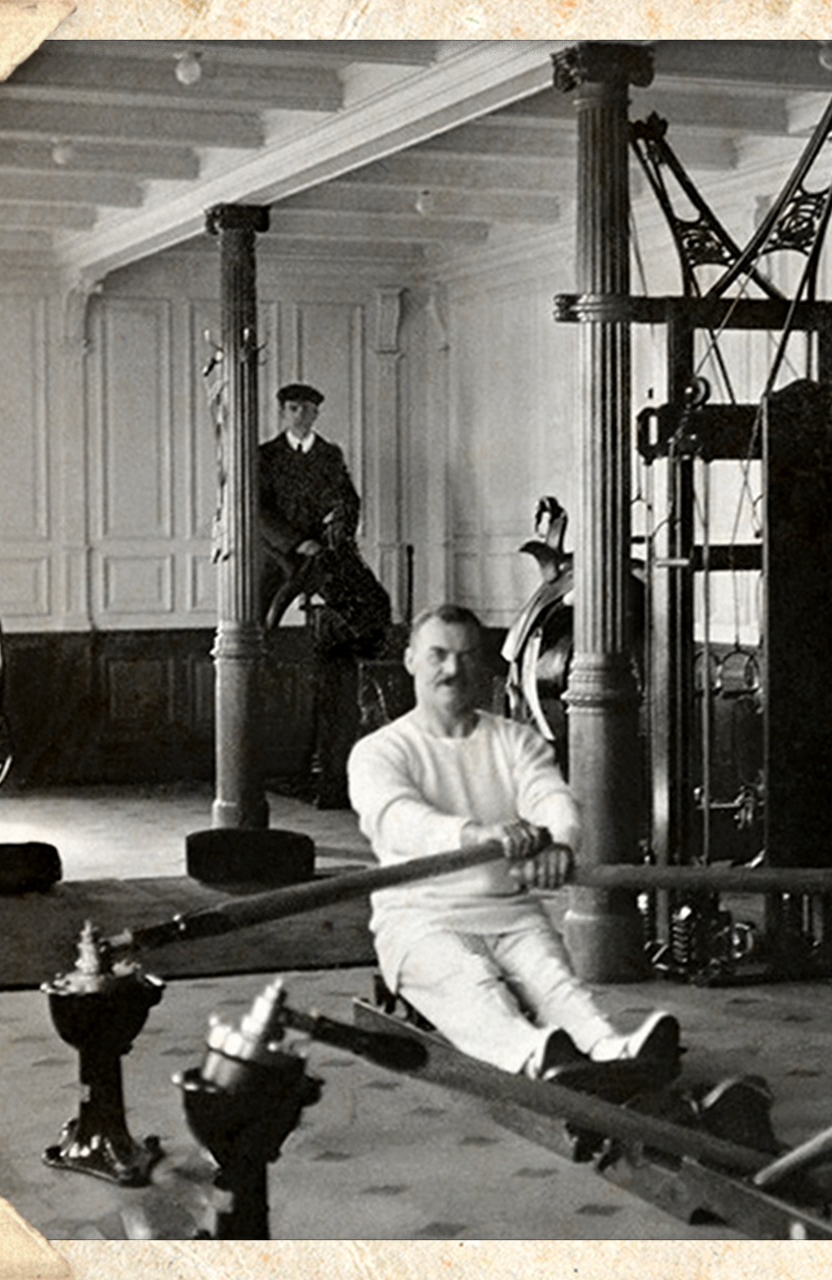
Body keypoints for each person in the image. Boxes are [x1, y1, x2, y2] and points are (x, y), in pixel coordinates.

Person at [347, 602, 679, 1080]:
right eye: (438, 654)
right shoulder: (378, 752)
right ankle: (536, 1055)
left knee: (556, 984)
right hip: (421, 917)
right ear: (411, 660)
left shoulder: (515, 741)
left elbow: (552, 798)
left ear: (480, 664)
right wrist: (478, 835)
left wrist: (558, 844)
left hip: (508, 907)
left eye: (465, 656)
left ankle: (611, 1051)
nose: (452, 669)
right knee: (472, 986)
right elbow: (400, 819)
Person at [258, 381, 392, 807]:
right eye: (292, 408)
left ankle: (336, 765)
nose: (299, 415)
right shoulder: (265, 456)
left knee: (369, 603)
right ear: (282, 413)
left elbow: (347, 500)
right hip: (282, 559)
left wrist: (338, 526)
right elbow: (258, 511)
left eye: (307, 409)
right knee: (262, 638)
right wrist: (298, 542)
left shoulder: (330, 455)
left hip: (327, 557)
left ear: (317, 413)